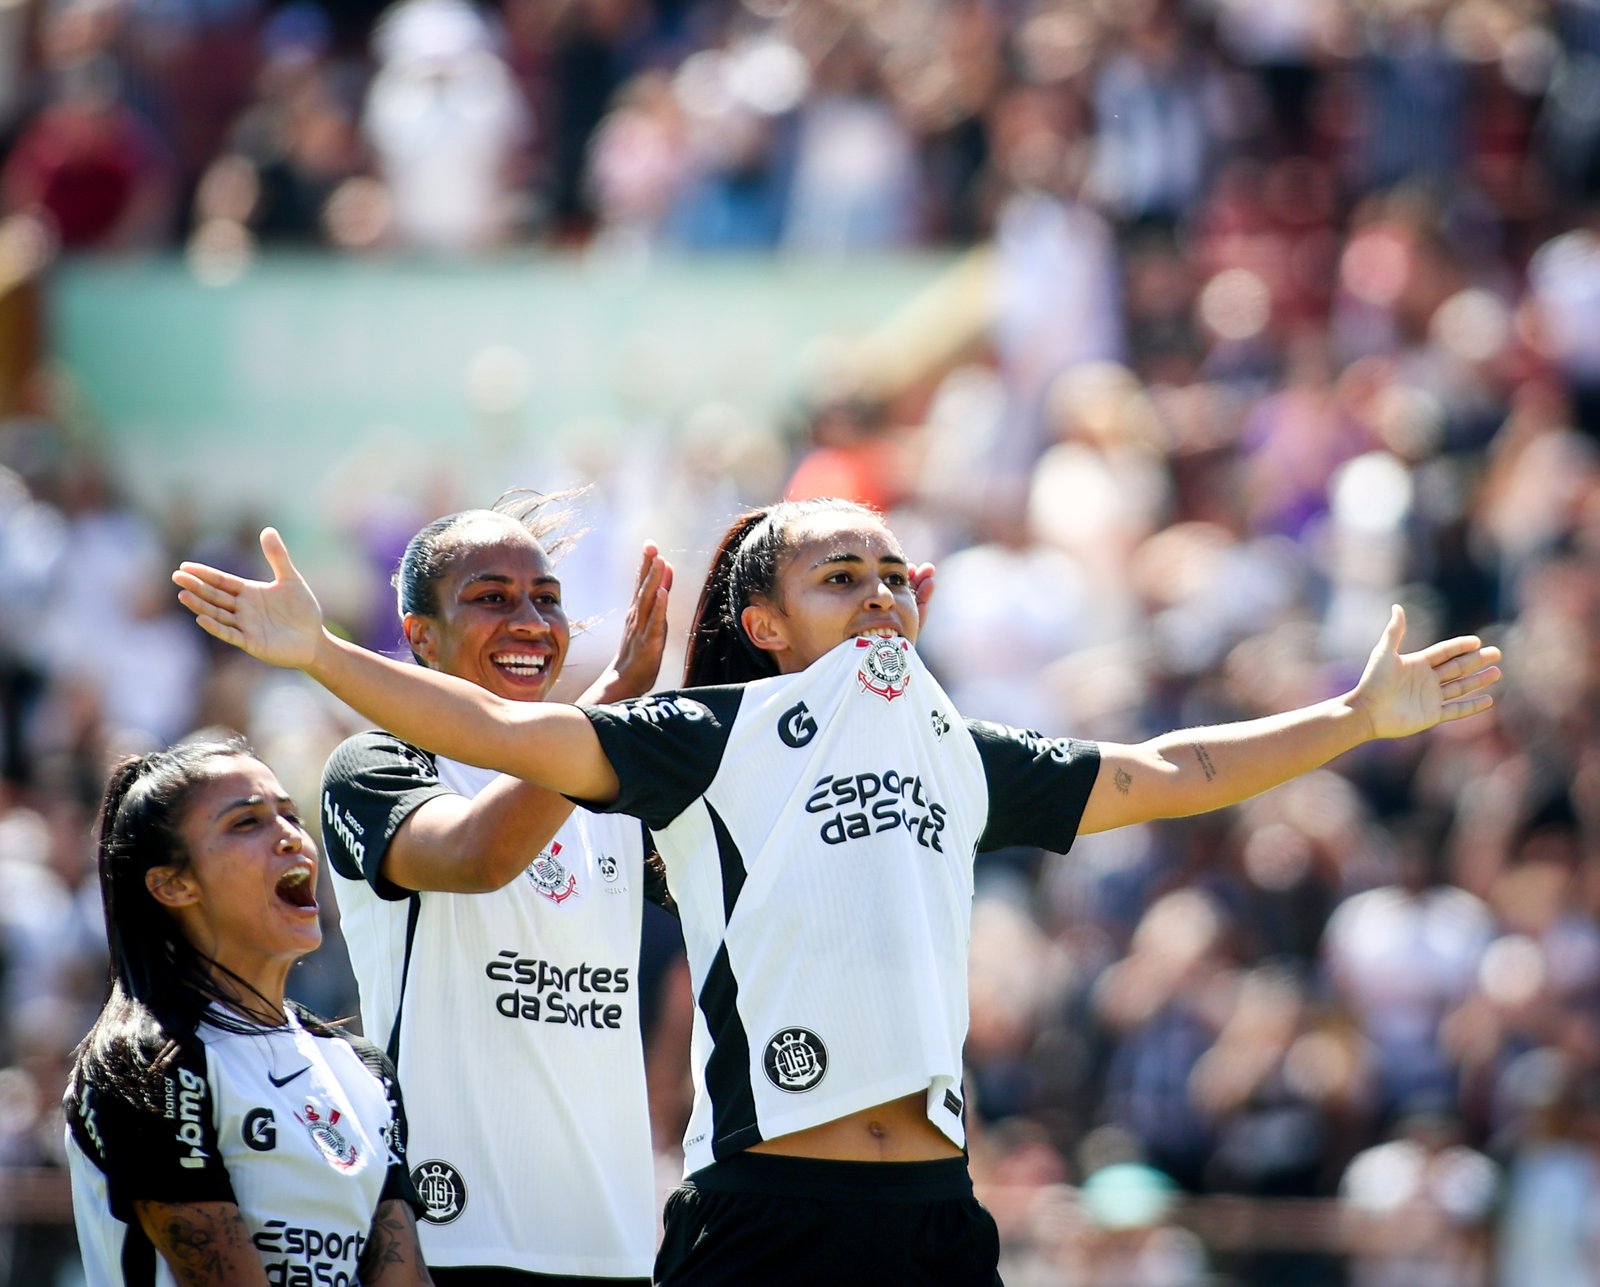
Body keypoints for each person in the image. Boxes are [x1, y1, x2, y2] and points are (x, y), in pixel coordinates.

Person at [172, 496, 1502, 1286]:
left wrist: (1353, 715)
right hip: (760, 1213)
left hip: (933, 1216)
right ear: (764, 624)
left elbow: (1167, 769)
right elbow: (502, 734)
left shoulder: (954, 748)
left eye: (892, 577)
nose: (877, 595)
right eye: (837, 575)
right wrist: (320, 651)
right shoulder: (708, 735)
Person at [320, 495, 674, 1285]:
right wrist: (611, 700)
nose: (530, 622)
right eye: (491, 597)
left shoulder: (617, 782)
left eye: (546, 599)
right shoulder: (378, 764)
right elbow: (478, 854)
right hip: (451, 1238)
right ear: (421, 635)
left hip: (611, 1242)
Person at [64, 738, 433, 1287]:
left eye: (291, 816)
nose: (291, 837)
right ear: (173, 884)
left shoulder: (364, 1067)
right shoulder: (152, 1059)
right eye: (247, 823)